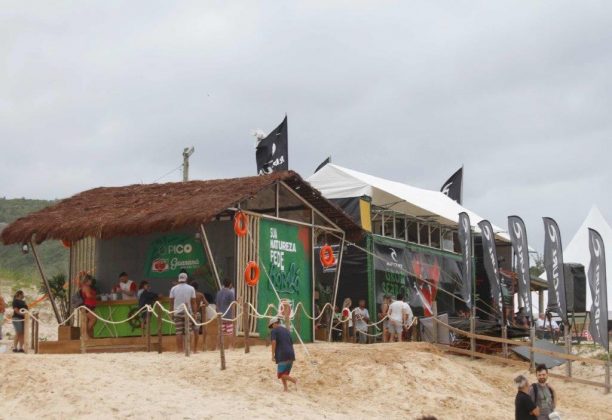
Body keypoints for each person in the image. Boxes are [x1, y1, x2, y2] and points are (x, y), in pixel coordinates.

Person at [169, 273, 196, 353]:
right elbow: (194, 302)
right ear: (186, 279)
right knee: (189, 331)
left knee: (179, 332)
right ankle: (189, 349)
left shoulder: (173, 289)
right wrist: (194, 313)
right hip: (188, 311)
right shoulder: (191, 288)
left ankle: (180, 350)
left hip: (177, 311)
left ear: (179, 279)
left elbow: (171, 302)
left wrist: (171, 312)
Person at [269, 316, 297, 392]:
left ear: (275, 323)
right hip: (291, 354)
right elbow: (291, 343)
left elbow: (273, 342)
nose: (271, 328)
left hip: (282, 354)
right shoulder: (287, 330)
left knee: (281, 374)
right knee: (284, 374)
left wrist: (272, 355)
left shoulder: (274, 331)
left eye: (271, 326)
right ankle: (285, 389)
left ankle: (294, 380)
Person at [215, 279, 236, 350]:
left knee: (220, 332)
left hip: (220, 315)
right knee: (230, 331)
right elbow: (233, 305)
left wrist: (217, 314)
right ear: (230, 284)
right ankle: (230, 346)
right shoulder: (231, 293)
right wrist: (233, 316)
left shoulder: (219, 293)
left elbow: (217, 306)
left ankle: (218, 347)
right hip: (228, 315)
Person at [190, 281, 208, 352]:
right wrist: (200, 304)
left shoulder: (189, 294)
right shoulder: (200, 295)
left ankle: (189, 348)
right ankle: (195, 349)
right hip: (197, 313)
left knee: (189, 331)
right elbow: (207, 303)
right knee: (196, 331)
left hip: (189, 313)